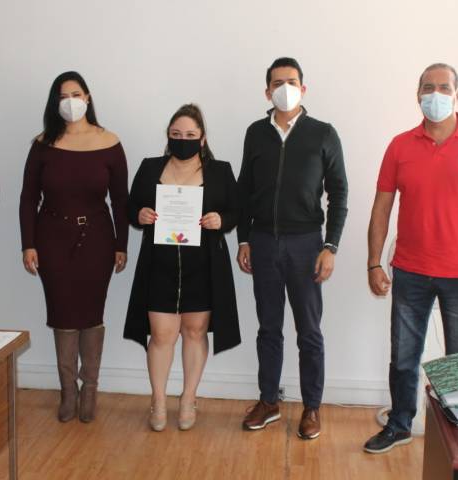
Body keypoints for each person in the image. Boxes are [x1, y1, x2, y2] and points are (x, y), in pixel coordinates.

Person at [363, 63, 458, 454]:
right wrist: (374, 262)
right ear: (417, 95)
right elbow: (381, 207)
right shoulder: (400, 146)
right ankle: (399, 424)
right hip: (410, 271)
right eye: (428, 87)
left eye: (444, 88)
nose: (435, 94)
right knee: (403, 358)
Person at [237, 57, 349, 440]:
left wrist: (330, 246)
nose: (284, 88)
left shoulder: (323, 134)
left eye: (291, 81)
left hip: (307, 245)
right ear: (267, 91)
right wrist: (244, 239)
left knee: (309, 331)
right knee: (268, 328)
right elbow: (244, 190)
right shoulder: (255, 133)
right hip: (263, 243)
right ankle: (268, 401)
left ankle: (311, 407)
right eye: (277, 83)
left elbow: (339, 193)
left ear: (303, 88)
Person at [19, 71, 129, 423]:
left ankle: (90, 389)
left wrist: (122, 244)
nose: (70, 101)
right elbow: (28, 198)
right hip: (52, 239)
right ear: (55, 103)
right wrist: (28, 244)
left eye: (76, 94)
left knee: (92, 314)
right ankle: (68, 391)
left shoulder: (110, 142)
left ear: (88, 98)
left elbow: (121, 200)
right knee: (63, 314)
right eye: (63, 96)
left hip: (98, 239)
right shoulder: (42, 144)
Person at [124, 104, 241, 432]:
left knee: (195, 332)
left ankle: (188, 398)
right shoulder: (150, 167)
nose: (183, 140)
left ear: (202, 139)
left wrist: (221, 220)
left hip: (203, 266)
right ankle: (158, 400)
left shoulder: (220, 171)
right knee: (161, 334)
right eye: (176, 134)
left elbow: (236, 212)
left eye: (190, 135)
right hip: (159, 266)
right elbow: (130, 207)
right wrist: (140, 215)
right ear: (168, 136)